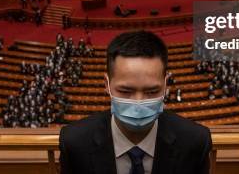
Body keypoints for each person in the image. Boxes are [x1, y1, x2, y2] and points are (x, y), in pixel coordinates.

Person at [59, 31, 212, 174]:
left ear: (166, 85)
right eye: (125, 91)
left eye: (152, 92)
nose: (138, 103)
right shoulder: (74, 142)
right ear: (107, 85)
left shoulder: (196, 141)